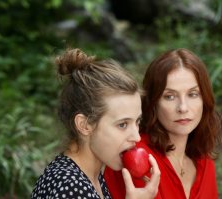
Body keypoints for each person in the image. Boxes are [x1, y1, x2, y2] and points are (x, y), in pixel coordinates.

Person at [31, 48, 160, 199]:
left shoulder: (90, 176)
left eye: (137, 122)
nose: (136, 137)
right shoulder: (70, 188)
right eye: (122, 125)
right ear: (84, 125)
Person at [104, 48, 222, 199]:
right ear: (153, 103)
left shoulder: (204, 159)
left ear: (204, 99)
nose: (183, 108)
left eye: (193, 94)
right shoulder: (137, 159)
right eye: (170, 96)